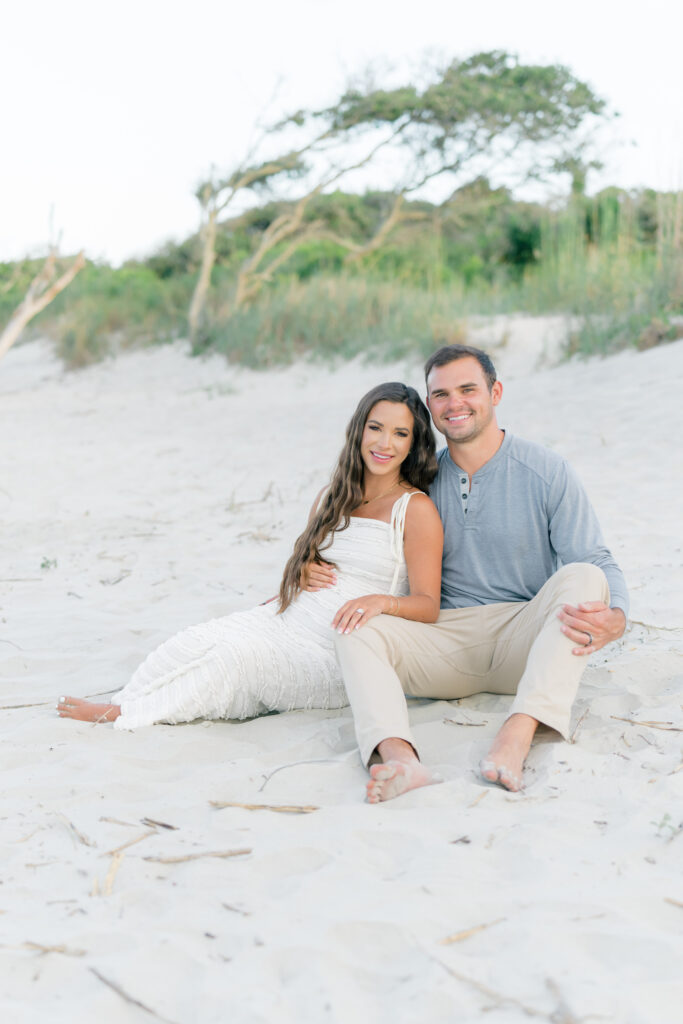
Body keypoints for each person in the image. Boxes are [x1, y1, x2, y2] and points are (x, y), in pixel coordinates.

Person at [308, 344, 629, 802]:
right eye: (440, 394)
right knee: (353, 628)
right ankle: (399, 758)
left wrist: (617, 616)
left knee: (582, 575)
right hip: (443, 640)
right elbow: (365, 528)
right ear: (430, 407)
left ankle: (519, 731)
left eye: (467, 389)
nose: (454, 403)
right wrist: (310, 564)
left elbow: (597, 559)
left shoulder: (546, 470)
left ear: (495, 392)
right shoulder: (419, 477)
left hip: (526, 637)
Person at [57, 382, 444, 735]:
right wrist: (303, 569)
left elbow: (428, 606)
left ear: (413, 444)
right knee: (190, 642)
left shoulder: (414, 508)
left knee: (233, 660)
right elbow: (303, 563)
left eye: (400, 433)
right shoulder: (333, 494)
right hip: (284, 621)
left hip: (335, 655)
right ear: (359, 429)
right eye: (375, 427)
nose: (385, 442)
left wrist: (380, 601)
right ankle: (126, 700)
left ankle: (124, 715)